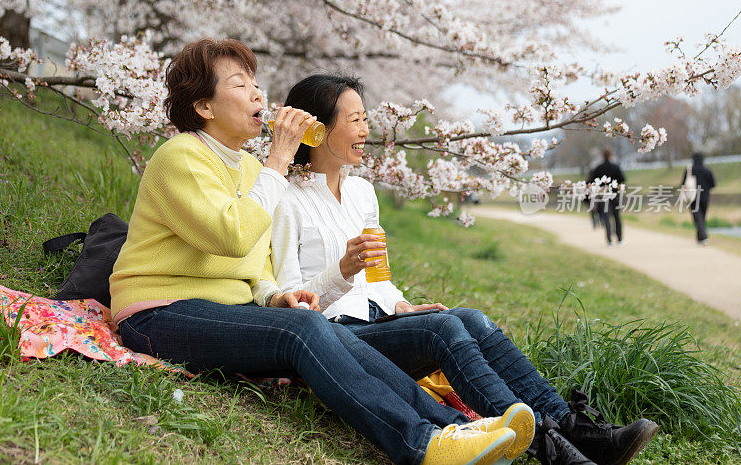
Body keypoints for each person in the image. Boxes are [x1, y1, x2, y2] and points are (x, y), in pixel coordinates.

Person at [109, 38, 529, 465]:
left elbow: (254, 259)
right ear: (203, 107)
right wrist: (278, 159)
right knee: (305, 331)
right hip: (158, 312)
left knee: (316, 325)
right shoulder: (180, 156)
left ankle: (452, 430)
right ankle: (422, 443)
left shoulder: (252, 169)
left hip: (226, 308)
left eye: (255, 82)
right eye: (240, 85)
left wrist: (274, 297)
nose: (258, 94)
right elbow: (231, 237)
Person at [270, 74, 659, 465]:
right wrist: (340, 271)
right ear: (317, 130)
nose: (365, 130)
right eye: (354, 120)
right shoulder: (288, 200)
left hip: (382, 321)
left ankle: (574, 427)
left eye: (365, 119)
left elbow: (379, 279)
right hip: (343, 338)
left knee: (470, 318)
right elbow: (293, 303)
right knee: (445, 328)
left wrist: (403, 306)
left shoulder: (362, 192)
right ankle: (550, 448)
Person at [587, 150, 625, 246]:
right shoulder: (615, 167)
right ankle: (619, 239)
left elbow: (593, 180)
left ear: (603, 156)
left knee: (606, 217)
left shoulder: (599, 168)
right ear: (611, 155)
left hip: (603, 195)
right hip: (615, 194)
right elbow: (622, 179)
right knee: (617, 217)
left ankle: (609, 240)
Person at [680, 152, 716, 245]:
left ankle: (702, 237)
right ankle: (701, 237)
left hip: (692, 197)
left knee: (697, 217)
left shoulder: (690, 170)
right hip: (705, 197)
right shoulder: (707, 170)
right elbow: (713, 184)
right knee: (702, 216)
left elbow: (683, 184)